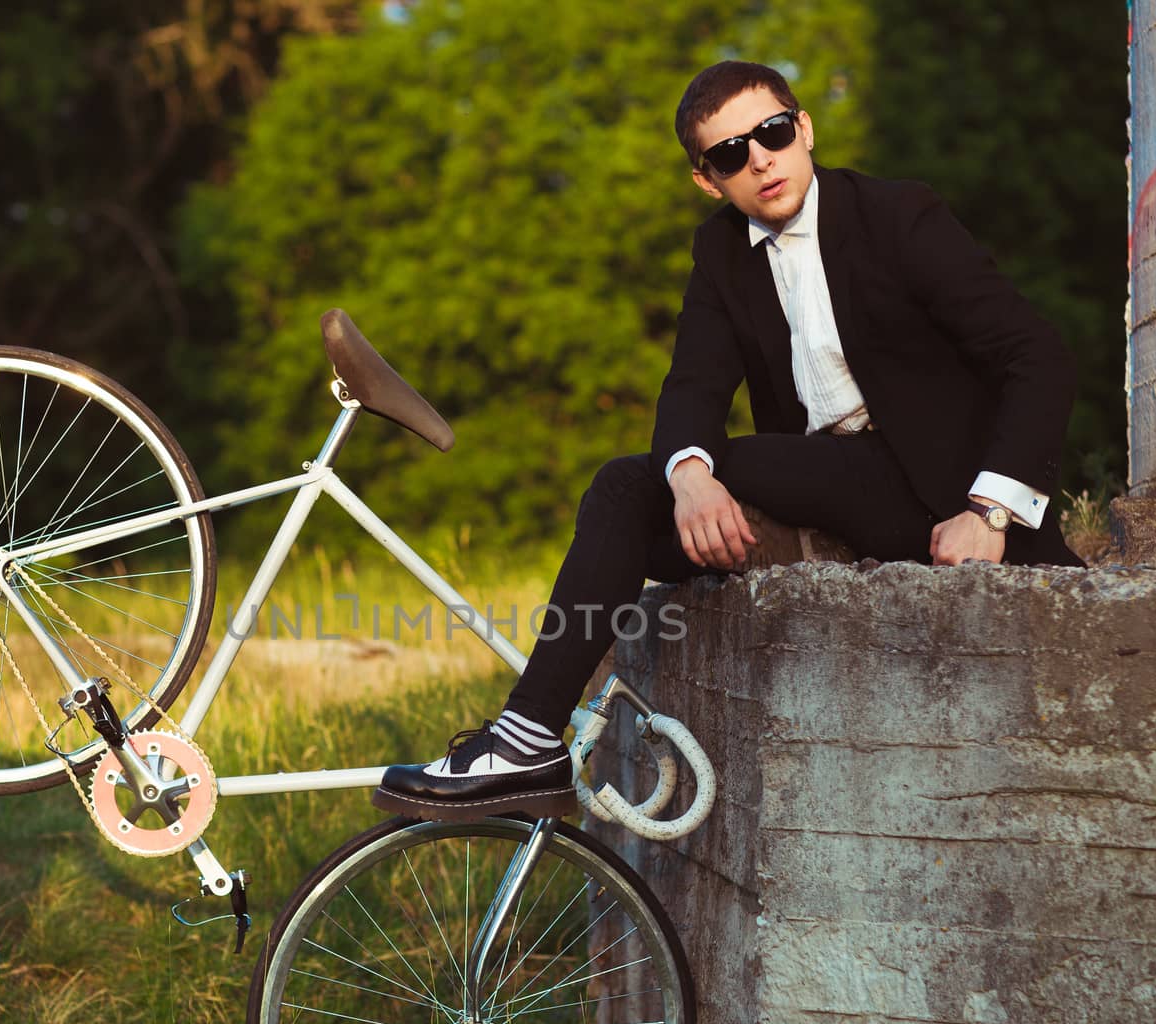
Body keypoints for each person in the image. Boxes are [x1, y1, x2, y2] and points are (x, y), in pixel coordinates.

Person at [373, 59, 1084, 821]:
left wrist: (991, 510)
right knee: (634, 497)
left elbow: (1036, 354)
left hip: (932, 487)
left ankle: (525, 737)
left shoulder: (898, 215)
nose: (760, 160)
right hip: (830, 480)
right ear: (707, 178)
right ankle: (530, 741)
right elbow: (694, 385)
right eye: (729, 153)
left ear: (804, 129)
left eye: (773, 132)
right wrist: (689, 474)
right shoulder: (718, 252)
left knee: (622, 488)